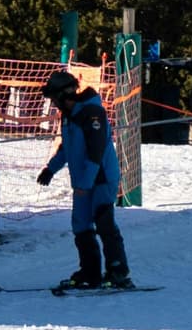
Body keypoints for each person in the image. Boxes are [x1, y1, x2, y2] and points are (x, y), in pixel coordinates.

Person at [37, 71, 133, 289]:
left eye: (54, 98)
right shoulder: (69, 115)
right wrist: (50, 169)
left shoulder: (92, 113)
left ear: (64, 94)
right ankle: (90, 272)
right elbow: (66, 147)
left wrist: (85, 183)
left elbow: (96, 152)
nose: (53, 103)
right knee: (80, 224)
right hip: (82, 181)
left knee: (103, 221)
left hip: (100, 177)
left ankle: (118, 271)